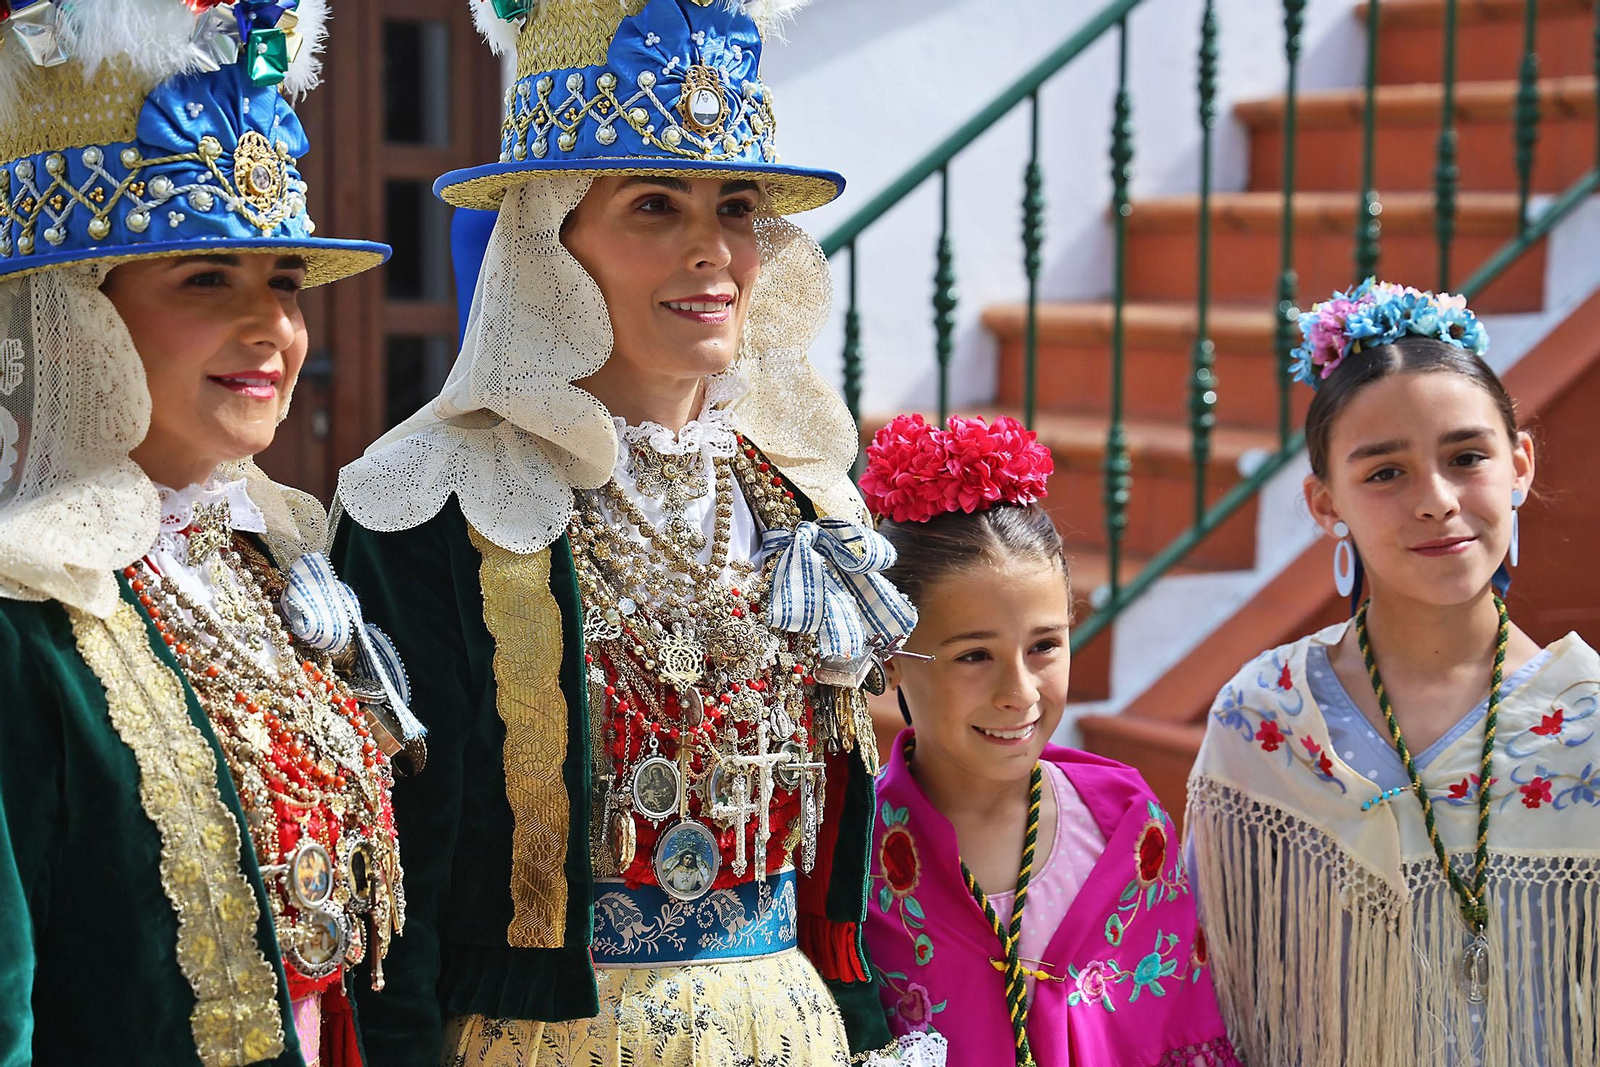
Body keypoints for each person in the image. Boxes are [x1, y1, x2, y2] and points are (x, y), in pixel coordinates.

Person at [332, 1, 938, 1064]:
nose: (712, 249)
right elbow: (398, 882)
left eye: (735, 206)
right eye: (655, 204)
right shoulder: (431, 499)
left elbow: (831, 867)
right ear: (549, 237)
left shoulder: (799, 499)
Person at [0, 2, 417, 1062]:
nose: (273, 327)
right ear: (74, 310)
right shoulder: (24, 614)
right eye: (204, 279)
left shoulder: (263, 556)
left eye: (283, 283)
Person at [1186, 279, 1600, 1066]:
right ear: (1323, 502)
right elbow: (1210, 977)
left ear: (1520, 464)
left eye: (1466, 457)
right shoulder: (1266, 716)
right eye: (1384, 473)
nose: (1436, 500)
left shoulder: (1588, 721)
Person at [860, 414, 1240, 1066]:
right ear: (891, 654)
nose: (1021, 691)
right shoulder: (853, 860)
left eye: (1044, 646)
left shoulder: (1124, 827)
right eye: (974, 656)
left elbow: (1182, 1032)